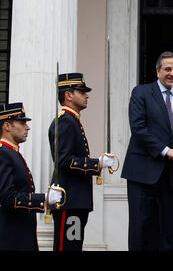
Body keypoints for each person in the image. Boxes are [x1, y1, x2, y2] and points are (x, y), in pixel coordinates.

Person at [121, 51, 173, 251]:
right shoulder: (141, 92)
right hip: (142, 173)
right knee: (140, 230)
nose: (172, 73)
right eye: (168, 69)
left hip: (172, 176)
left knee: (169, 232)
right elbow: (138, 129)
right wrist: (165, 151)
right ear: (158, 70)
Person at [48, 73, 116, 251]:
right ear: (68, 95)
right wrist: (97, 163)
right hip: (69, 201)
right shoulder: (65, 122)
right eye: (82, 91)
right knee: (67, 248)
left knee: (73, 246)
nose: (87, 95)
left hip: (75, 202)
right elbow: (63, 160)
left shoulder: (72, 121)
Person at [0, 103, 62, 251]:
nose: (27, 127)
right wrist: (43, 199)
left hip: (20, 235)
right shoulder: (3, 154)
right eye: (22, 123)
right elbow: (6, 197)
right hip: (11, 238)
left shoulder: (12, 153)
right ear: (7, 126)